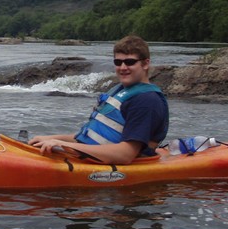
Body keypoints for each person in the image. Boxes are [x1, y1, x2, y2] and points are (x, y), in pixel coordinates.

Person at [29, 35, 169, 164]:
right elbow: (89, 138)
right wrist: (52, 139)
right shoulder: (120, 91)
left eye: (130, 62)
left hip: (115, 167)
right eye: (118, 62)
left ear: (145, 64)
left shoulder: (146, 101)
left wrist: (63, 145)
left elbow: (126, 154)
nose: (123, 67)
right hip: (90, 157)